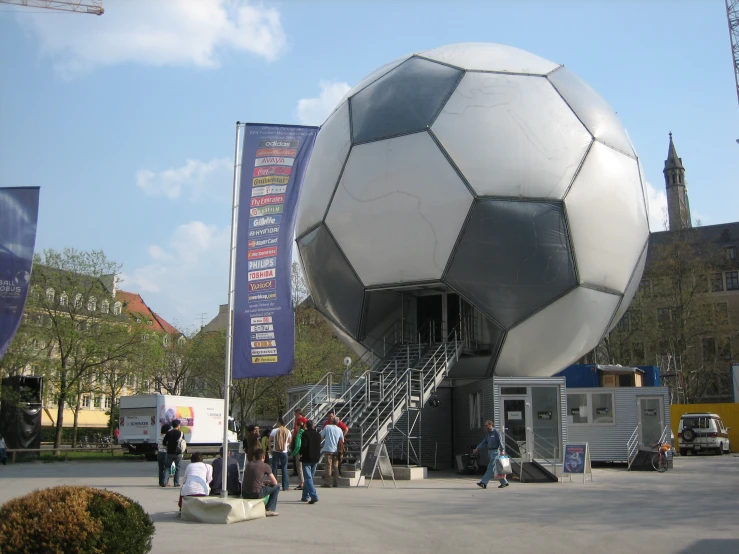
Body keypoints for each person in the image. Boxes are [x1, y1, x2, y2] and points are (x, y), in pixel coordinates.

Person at [242, 447, 280, 517]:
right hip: (256, 494)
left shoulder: (248, 465)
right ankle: (269, 509)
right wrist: (268, 482)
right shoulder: (265, 466)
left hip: (245, 493)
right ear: (264, 457)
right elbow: (275, 482)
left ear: (254, 457)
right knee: (277, 487)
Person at [473, 419, 509, 489]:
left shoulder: (496, 432)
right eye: (485, 426)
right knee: (496, 468)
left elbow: (500, 441)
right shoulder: (488, 434)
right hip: (490, 451)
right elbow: (484, 442)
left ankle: (483, 482)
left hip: (495, 452)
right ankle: (504, 482)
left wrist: (502, 450)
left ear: (491, 425)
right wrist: (477, 448)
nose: (485, 427)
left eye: (486, 425)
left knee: (490, 467)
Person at [299, 420, 321, 504]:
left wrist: (300, 453)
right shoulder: (318, 435)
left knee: (308, 478)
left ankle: (313, 496)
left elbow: (303, 446)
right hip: (315, 458)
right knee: (310, 478)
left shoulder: (305, 434)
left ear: (306, 426)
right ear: (313, 426)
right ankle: (305, 496)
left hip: (307, 457)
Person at [320, 417, 344, 488]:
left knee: (328, 466)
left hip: (327, 449)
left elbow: (321, 436)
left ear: (331, 421)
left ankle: (327, 483)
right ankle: (336, 482)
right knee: (335, 467)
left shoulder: (327, 427)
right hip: (336, 450)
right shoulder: (339, 429)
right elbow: (342, 440)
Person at [269, 417, 292, 491]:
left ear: (279, 422)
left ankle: (274, 484)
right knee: (284, 469)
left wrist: (270, 449)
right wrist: (285, 446)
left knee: (274, 468)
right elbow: (289, 441)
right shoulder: (288, 431)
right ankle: (285, 486)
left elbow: (269, 440)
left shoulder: (274, 430)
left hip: (276, 451)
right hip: (284, 452)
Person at [162, 419, 185, 487]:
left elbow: (164, 442)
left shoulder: (169, 433)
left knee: (167, 467)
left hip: (170, 453)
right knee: (178, 468)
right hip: (178, 453)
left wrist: (169, 445)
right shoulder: (181, 433)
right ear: (178, 425)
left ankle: (164, 482)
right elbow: (183, 443)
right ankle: (176, 483)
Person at [292, 410, 307, 476]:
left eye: (295, 413)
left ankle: (299, 472)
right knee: (294, 457)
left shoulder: (303, 419)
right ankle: (296, 471)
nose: (294, 414)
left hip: (299, 437)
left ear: (297, 413)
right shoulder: (296, 420)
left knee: (297, 454)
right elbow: (294, 429)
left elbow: (306, 427)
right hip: (295, 436)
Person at [291, 420, 305, 490]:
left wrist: (294, 452)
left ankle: (301, 483)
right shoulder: (304, 433)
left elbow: (298, 445)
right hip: (304, 453)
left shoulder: (299, 434)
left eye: (296, 426)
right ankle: (303, 482)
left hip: (299, 453)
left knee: (299, 468)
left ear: (298, 426)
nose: (295, 427)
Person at [157, 423, 172, 487]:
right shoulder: (165, 437)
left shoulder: (160, 436)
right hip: (165, 452)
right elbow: (167, 445)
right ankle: (165, 482)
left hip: (159, 452)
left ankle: (160, 481)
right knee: (166, 468)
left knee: (161, 468)